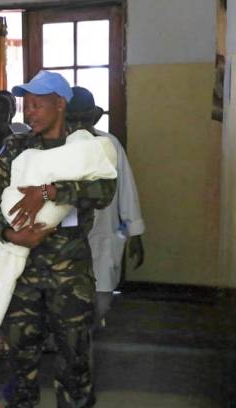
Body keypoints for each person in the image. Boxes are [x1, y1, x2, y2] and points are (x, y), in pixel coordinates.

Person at [0, 71, 116, 408]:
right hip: (22, 273)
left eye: (38, 104)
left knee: (74, 356)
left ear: (60, 104)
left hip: (70, 274)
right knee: (20, 358)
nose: (30, 112)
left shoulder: (85, 147)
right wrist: (11, 234)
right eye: (28, 105)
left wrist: (51, 192)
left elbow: (103, 192)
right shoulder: (17, 148)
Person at [65, 87, 145, 325]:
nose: (80, 125)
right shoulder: (57, 147)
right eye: (73, 119)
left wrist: (133, 233)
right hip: (66, 238)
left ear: (94, 118)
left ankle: (90, 329)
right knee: (69, 296)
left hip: (106, 233)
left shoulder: (110, 144)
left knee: (102, 296)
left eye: (85, 119)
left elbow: (126, 191)